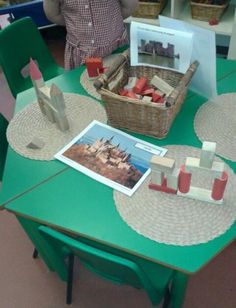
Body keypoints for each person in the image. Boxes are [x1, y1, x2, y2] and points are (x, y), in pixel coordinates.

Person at [43, 0, 138, 70]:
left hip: (115, 47)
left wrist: (112, 21)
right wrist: (73, 24)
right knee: (81, 84)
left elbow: (130, 7)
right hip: (80, 53)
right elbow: (52, 14)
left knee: (120, 82)